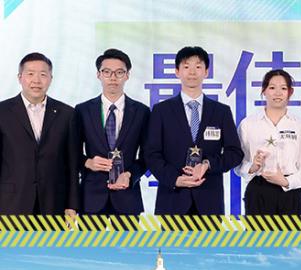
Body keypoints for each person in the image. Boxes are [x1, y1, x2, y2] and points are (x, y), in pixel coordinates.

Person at [144, 46, 244, 215]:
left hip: (209, 202)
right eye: (186, 66)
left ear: (206, 72)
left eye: (198, 67)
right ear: (177, 72)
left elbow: (234, 153)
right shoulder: (162, 111)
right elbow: (151, 154)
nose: (192, 72)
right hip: (172, 200)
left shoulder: (221, 111)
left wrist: (207, 164)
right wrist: (175, 179)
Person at [0, 53, 79, 216]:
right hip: (10, 204)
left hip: (54, 204)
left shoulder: (67, 114)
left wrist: (72, 204)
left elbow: (72, 164)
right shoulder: (3, 112)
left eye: (43, 74)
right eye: (30, 74)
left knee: (51, 243)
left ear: (51, 78)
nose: (36, 80)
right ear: (19, 77)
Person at [75, 48, 150, 215]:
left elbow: (148, 156)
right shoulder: (82, 110)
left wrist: (130, 175)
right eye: (107, 72)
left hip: (127, 196)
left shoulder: (142, 112)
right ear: (98, 75)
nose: (113, 78)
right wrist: (88, 163)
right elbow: (72, 152)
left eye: (119, 72)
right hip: (91, 197)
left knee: (126, 242)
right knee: (90, 242)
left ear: (127, 75)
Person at [235, 69, 301, 215]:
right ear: (264, 91)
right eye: (272, 88)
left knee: (290, 238)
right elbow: (238, 164)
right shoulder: (248, 124)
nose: (277, 93)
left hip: (290, 191)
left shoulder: (300, 125)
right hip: (258, 190)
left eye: (283, 88)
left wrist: (285, 181)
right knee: (257, 238)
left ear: (290, 92)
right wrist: (253, 166)